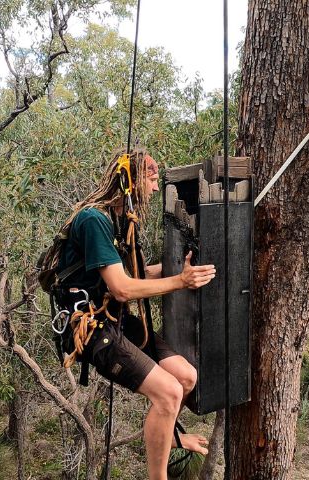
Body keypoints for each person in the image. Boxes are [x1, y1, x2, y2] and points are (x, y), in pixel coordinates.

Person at [52, 148, 215, 480]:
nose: (155, 189)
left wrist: (178, 269)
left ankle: (171, 435)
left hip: (114, 318)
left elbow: (131, 277)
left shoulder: (117, 222)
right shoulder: (95, 220)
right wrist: (180, 281)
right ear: (131, 180)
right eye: (152, 180)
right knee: (168, 392)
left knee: (185, 377)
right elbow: (123, 288)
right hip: (92, 327)